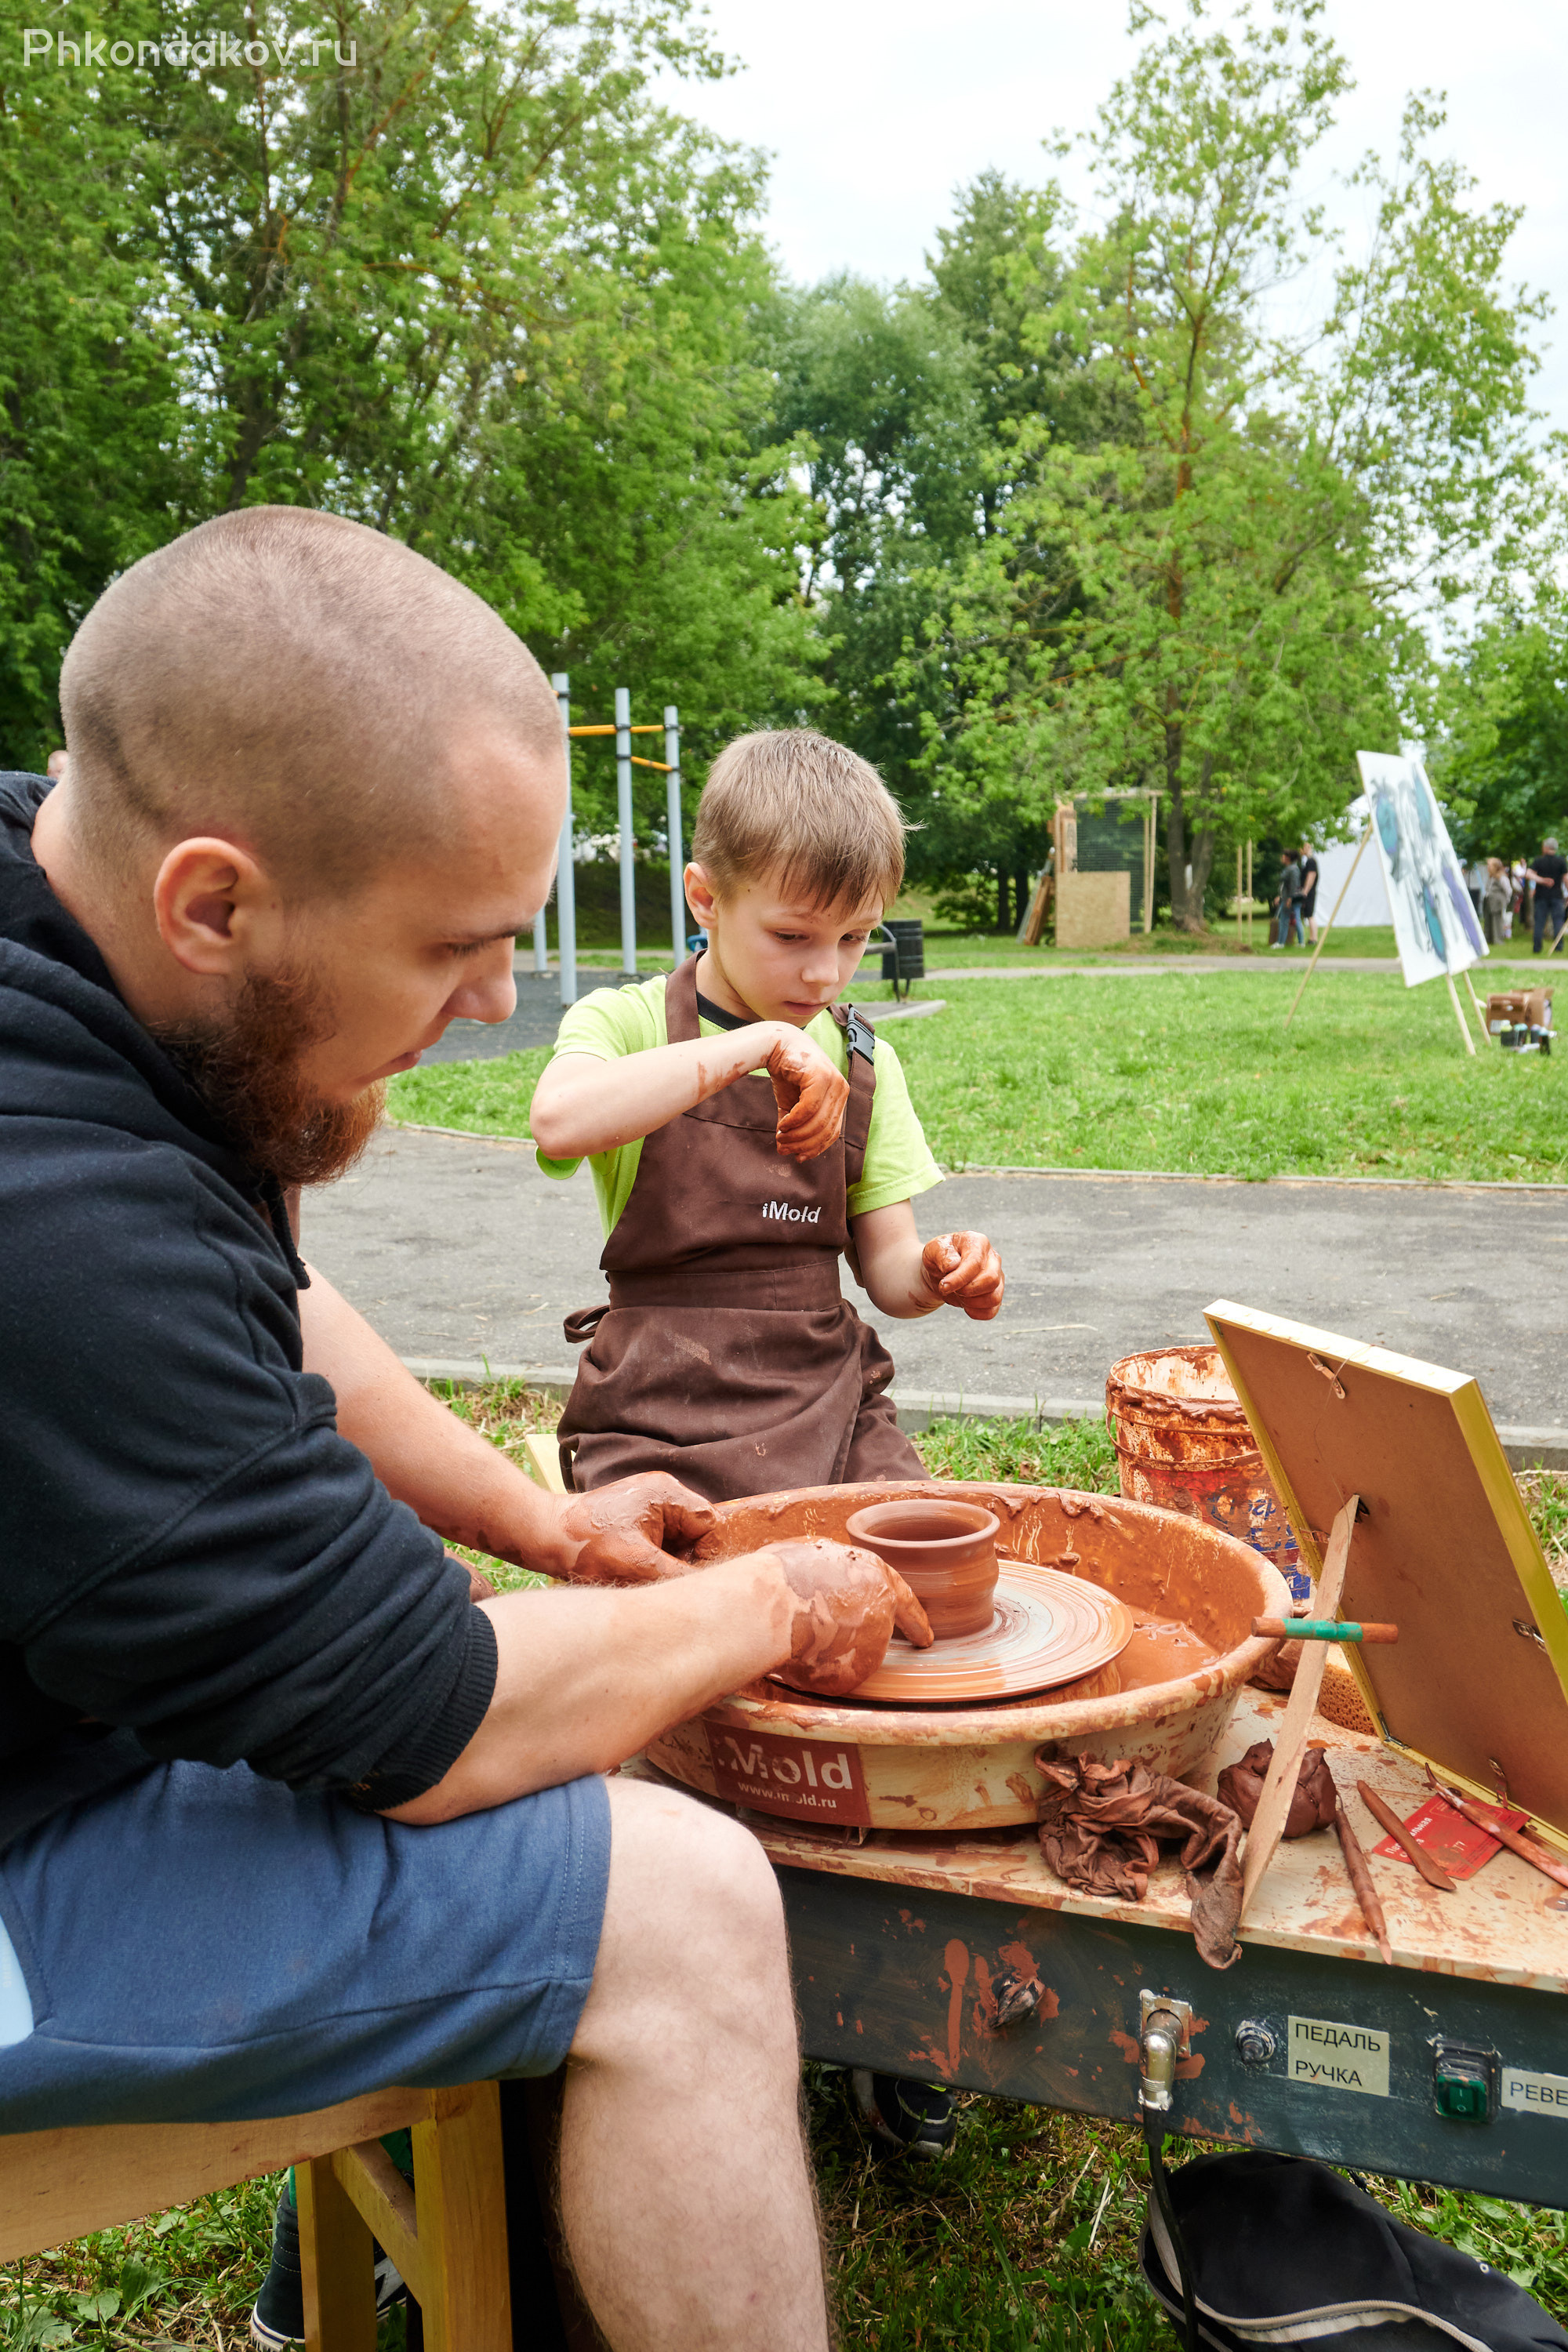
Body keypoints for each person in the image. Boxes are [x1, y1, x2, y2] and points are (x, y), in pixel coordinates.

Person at [0, 508, 930, 2352]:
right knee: (675, 1899)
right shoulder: (56, 1224)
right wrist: (777, 1597)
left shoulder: (76, 914)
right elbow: (436, 1725)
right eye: (457, 946)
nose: (499, 1003)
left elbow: (255, 1288)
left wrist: (538, 1519)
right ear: (211, 902)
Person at [528, 728, 1005, 2154]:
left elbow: (886, 1266)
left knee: (925, 1625)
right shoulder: (630, 1023)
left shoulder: (864, 1055)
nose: (825, 973)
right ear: (705, 897)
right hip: (662, 1397)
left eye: (855, 942)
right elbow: (559, 1123)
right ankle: (654, 1942)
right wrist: (742, 1049)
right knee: (681, 1671)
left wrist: (946, 1275)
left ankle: (894, 2001)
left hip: (823, 1385)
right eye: (794, 936)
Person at [1528, 836, 1567, 954]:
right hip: (1557, 896)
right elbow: (1566, 879)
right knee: (1558, 921)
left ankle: (1537, 948)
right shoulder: (1561, 861)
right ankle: (1558, 947)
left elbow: (1529, 874)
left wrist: (1541, 880)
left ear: (1545, 847)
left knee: (1539, 922)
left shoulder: (1539, 861)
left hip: (1541, 896)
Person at [1270, 848, 1303, 949]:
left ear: (1288, 858)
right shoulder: (1289, 868)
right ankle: (1282, 942)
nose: (1282, 858)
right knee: (1285, 920)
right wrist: (1280, 896)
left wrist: (1290, 899)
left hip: (1292, 899)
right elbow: (1285, 885)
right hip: (1287, 898)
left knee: (1289, 920)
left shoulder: (1293, 869)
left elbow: (1294, 885)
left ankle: (1287, 942)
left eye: (1283, 856)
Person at [1482, 857, 1512, 946]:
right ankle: (1488, 939)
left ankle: (1498, 940)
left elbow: (1508, 890)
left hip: (1497, 902)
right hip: (1489, 901)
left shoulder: (1502, 877)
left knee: (1497, 921)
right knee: (1488, 921)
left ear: (1496, 867)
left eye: (1490, 865)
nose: (1488, 867)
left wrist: (1505, 901)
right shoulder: (1491, 877)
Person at [1297, 840, 1320, 946]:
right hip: (1308, 891)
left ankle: (1313, 938)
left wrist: (1305, 891)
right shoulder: (1308, 861)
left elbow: (1311, 876)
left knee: (1310, 914)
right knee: (1308, 914)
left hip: (1309, 892)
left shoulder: (1311, 862)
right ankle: (1312, 937)